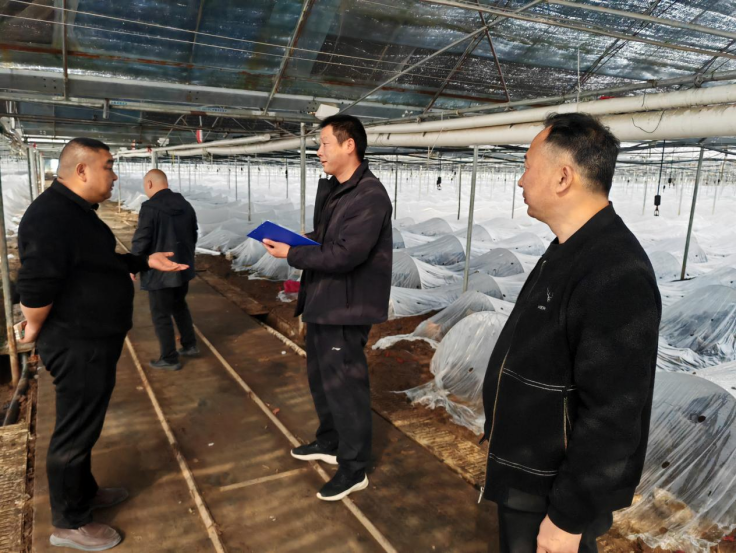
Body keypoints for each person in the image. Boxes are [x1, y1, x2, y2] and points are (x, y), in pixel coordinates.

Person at [480, 113, 662, 553]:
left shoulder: (616, 272)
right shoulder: (568, 249)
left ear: (563, 177)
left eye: (527, 166)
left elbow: (613, 416)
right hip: (530, 473)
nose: (520, 180)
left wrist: (567, 517)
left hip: (552, 493)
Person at [17, 138, 188, 551]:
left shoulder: (76, 213)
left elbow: (100, 261)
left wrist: (144, 260)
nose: (114, 175)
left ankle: (85, 492)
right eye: (109, 166)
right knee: (75, 431)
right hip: (76, 342)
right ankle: (69, 522)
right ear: (82, 170)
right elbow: (35, 286)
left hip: (93, 339)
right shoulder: (50, 217)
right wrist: (34, 326)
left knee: (86, 424)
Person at [262, 114, 393, 501]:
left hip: (347, 306)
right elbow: (328, 237)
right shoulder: (339, 191)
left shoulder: (369, 195)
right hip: (325, 299)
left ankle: (354, 467)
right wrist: (298, 239)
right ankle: (331, 440)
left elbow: (347, 254)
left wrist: (293, 254)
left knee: (345, 386)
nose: (318, 151)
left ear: (349, 145)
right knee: (322, 378)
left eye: (324, 144)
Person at [131, 169, 199, 371]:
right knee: (179, 305)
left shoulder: (150, 207)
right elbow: (193, 234)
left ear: (150, 184)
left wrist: (133, 264)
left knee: (161, 314)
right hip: (182, 267)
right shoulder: (185, 205)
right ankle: (190, 344)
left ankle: (169, 358)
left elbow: (142, 238)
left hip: (160, 271)